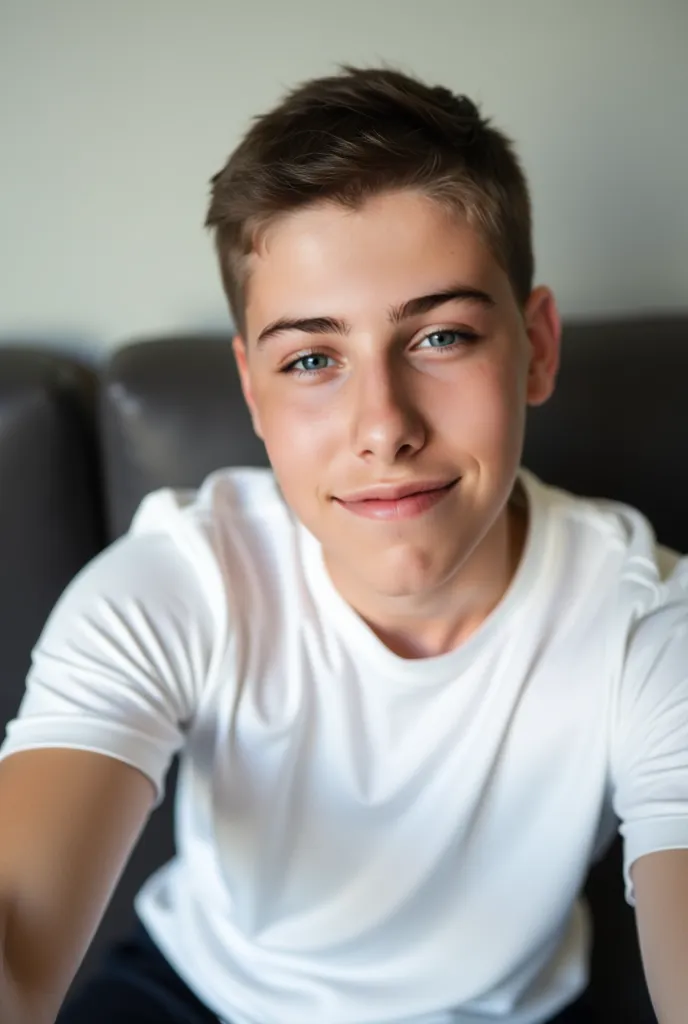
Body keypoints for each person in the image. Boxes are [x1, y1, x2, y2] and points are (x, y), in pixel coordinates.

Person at [0, 65, 687, 1024]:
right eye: (313, 358)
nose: (383, 426)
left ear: (536, 347)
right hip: (201, 994)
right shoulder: (180, 583)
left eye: (441, 337)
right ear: (252, 385)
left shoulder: (647, 622)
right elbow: (18, 935)